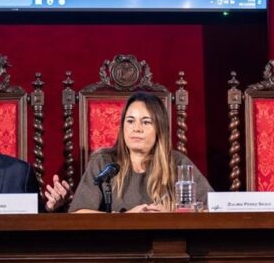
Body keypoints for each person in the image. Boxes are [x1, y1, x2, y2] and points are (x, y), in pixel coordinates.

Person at [69, 91, 212, 213]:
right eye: (130, 121)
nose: (136, 128)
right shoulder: (104, 163)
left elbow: (213, 208)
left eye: (146, 122)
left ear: (159, 129)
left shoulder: (177, 162)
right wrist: (124, 219)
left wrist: (171, 214)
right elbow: (79, 213)